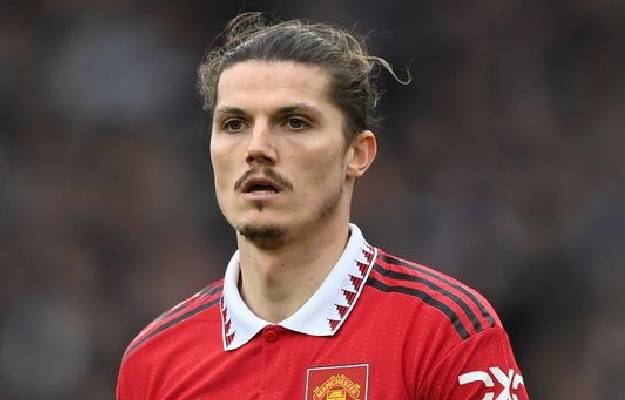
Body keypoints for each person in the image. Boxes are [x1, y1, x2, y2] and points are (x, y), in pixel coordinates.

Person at [116, 13, 529, 400]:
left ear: (357, 154)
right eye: (234, 124)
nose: (257, 147)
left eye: (295, 122)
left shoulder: (444, 332)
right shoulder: (153, 361)